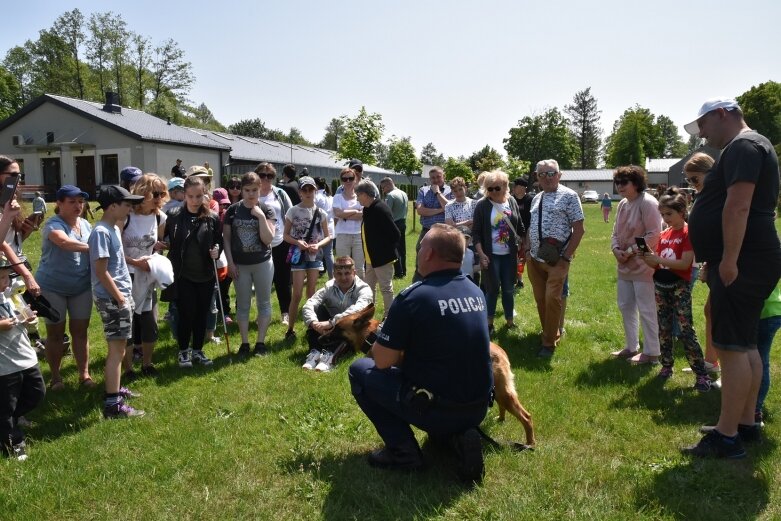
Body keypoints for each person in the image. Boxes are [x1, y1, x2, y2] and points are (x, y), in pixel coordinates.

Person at [348, 223, 492, 483]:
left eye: (421, 246)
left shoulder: (414, 298)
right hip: (478, 406)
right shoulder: (476, 292)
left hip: (436, 407)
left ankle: (404, 453)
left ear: (428, 254)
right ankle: (456, 436)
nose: (418, 252)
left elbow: (382, 360)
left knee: (359, 371)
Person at [682, 98, 781, 458]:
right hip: (751, 257)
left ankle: (726, 436)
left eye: (703, 125)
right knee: (746, 343)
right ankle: (744, 424)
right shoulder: (753, 145)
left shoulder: (743, 145)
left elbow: (738, 204)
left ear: (722, 114)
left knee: (731, 347)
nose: (703, 135)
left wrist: (729, 259)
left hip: (744, 259)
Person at [640, 187, 711, 391]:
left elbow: (684, 264)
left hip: (680, 286)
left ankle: (701, 374)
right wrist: (648, 259)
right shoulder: (665, 234)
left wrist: (658, 259)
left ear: (682, 212)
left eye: (669, 214)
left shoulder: (688, 233)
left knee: (686, 330)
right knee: (664, 328)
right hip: (661, 285)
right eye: (662, 214)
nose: (665, 218)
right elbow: (660, 265)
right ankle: (666, 366)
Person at [89, 185, 145, 419]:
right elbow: (101, 271)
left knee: (120, 349)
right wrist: (120, 297)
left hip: (119, 297)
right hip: (113, 299)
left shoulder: (112, 228)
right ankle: (113, 405)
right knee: (116, 350)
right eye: (126, 204)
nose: (130, 207)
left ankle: (116, 388)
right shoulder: (101, 232)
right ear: (112, 206)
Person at [36, 185, 94, 390]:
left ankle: (84, 375)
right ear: (59, 204)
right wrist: (95, 247)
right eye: (72, 202)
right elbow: (65, 243)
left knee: (81, 332)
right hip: (53, 287)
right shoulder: (53, 224)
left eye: (81, 201)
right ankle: (56, 377)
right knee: (55, 334)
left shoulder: (86, 225)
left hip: (81, 286)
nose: (78, 206)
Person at [526, 160, 585, 358]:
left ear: (559, 175)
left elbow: (579, 230)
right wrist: (526, 250)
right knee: (540, 300)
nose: (547, 178)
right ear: (537, 177)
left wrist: (566, 257)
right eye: (542, 174)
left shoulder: (569, 196)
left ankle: (549, 344)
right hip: (534, 259)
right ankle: (549, 334)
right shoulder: (536, 198)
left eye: (551, 173)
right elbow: (531, 225)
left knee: (552, 299)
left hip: (558, 260)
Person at [164, 176, 222, 369]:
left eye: (199, 196)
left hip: (205, 274)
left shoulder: (212, 218)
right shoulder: (173, 215)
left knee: (202, 314)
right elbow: (166, 239)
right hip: (183, 274)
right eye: (191, 196)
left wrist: (216, 250)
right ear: (184, 195)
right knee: (186, 313)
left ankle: (198, 350)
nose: (195, 200)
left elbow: (218, 241)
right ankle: (183, 351)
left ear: (205, 194)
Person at [609, 165, 663, 365]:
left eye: (624, 182)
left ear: (637, 183)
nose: (620, 186)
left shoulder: (648, 203)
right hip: (624, 265)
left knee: (647, 309)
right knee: (625, 306)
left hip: (644, 265)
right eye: (617, 182)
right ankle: (631, 347)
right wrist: (616, 250)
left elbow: (654, 234)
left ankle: (653, 352)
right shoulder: (623, 204)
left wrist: (630, 251)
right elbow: (615, 232)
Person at [223, 172, 276, 357]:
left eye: (255, 190)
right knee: (243, 304)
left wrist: (260, 217)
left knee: (264, 302)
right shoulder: (233, 210)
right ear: (241, 191)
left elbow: (268, 239)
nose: (251, 194)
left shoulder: (267, 209)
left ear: (260, 189)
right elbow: (227, 239)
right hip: (240, 265)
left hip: (262, 263)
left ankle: (260, 343)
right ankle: (245, 343)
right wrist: (230, 263)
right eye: (247, 190)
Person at [121, 174, 168, 379]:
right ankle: (129, 368)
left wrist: (157, 251)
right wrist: (135, 262)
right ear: (142, 193)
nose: (159, 198)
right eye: (154, 193)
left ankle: (148, 364)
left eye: (162, 193)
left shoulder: (159, 217)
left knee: (149, 321)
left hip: (147, 276)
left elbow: (157, 245)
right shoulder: (126, 216)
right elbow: (114, 249)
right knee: (128, 323)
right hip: (126, 275)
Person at [0, 250, 45, 461]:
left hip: (25, 356)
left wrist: (27, 317)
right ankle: (13, 443)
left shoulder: (10, 295)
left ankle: (8, 421)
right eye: (0, 278)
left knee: (37, 392)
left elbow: (20, 312)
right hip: (4, 364)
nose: (5, 281)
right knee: (6, 404)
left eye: (7, 276)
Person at [472, 170, 523, 333]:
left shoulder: (512, 202)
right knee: (492, 289)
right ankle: (488, 323)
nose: (493, 191)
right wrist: (481, 254)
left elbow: (520, 226)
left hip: (509, 255)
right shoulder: (482, 205)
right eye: (490, 188)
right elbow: (477, 233)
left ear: (505, 186)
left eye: (497, 188)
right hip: (491, 255)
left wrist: (524, 247)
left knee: (509, 289)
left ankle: (509, 321)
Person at [301, 256, 373, 372]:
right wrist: (314, 323)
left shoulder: (364, 289)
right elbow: (309, 304)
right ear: (334, 274)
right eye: (339, 274)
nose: (343, 277)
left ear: (354, 273)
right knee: (317, 309)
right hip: (329, 328)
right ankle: (314, 352)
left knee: (347, 329)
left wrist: (332, 323)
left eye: (347, 273)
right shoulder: (328, 287)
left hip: (352, 330)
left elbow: (358, 310)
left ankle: (329, 357)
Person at [283, 176, 330, 338]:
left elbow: (328, 236)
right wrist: (298, 243)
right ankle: (290, 329)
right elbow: (285, 235)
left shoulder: (321, 212)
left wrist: (318, 245)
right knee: (296, 294)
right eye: (305, 189)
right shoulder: (293, 210)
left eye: (311, 189)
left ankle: (312, 327)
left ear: (315, 191)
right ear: (300, 192)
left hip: (314, 256)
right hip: (299, 256)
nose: (308, 192)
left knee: (311, 293)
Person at [355, 180, 400, 319]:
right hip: (370, 259)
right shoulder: (367, 209)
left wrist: (383, 251)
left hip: (382, 259)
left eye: (358, 195)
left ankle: (389, 317)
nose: (357, 198)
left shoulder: (381, 208)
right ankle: (369, 317)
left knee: (386, 289)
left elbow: (395, 234)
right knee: (369, 289)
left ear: (364, 194)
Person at [414, 166, 453, 277]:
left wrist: (437, 193)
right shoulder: (423, 190)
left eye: (438, 177)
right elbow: (420, 210)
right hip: (426, 231)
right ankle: (419, 282)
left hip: (444, 232)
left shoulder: (451, 190)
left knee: (442, 259)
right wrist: (441, 210)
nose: (435, 180)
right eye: (432, 178)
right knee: (421, 257)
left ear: (443, 176)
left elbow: (450, 208)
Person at [332, 168, 365, 279]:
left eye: (351, 178)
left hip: (358, 235)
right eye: (344, 179)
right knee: (342, 266)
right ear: (341, 181)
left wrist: (345, 214)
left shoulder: (360, 196)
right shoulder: (337, 197)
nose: (348, 181)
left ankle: (360, 292)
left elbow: (363, 215)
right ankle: (343, 292)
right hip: (342, 235)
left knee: (359, 268)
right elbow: (338, 213)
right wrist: (355, 211)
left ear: (355, 179)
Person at [755, 286, 781, 425]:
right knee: (761, 360)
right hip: (773, 309)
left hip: (764, 312)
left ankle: (755, 410)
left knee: (759, 361)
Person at [380, 177, 408, 279]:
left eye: (383, 188)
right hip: (403, 222)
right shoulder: (403, 193)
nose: (383, 190)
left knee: (394, 249)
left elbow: (386, 212)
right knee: (402, 249)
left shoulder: (390, 196)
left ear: (388, 185)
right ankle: (403, 271)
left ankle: (398, 272)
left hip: (394, 224)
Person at [314, 177, 335, 278]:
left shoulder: (316, 196)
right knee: (328, 254)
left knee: (317, 254)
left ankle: (314, 275)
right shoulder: (330, 196)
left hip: (319, 227)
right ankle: (332, 276)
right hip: (330, 227)